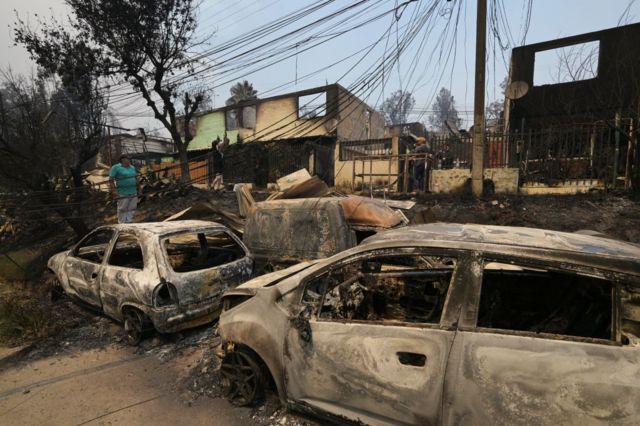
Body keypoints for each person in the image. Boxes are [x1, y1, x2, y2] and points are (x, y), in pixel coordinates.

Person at [109, 155, 139, 223]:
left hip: (133, 191)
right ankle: (122, 223)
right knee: (122, 208)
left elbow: (136, 177)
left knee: (132, 207)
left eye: (129, 159)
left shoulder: (132, 167)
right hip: (122, 192)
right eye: (128, 159)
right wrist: (114, 191)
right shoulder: (116, 167)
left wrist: (138, 187)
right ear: (123, 160)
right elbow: (111, 180)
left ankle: (129, 221)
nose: (129, 160)